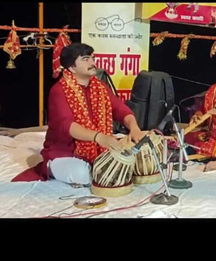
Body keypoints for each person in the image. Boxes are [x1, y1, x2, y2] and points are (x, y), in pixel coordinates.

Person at [12, 43, 144, 187]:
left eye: (92, 58)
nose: (93, 63)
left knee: (131, 157)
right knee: (84, 174)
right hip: (64, 152)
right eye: (86, 59)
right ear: (71, 67)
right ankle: (51, 167)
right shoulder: (59, 91)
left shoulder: (100, 87)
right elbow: (67, 126)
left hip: (99, 148)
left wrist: (134, 128)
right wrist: (99, 137)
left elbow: (120, 109)